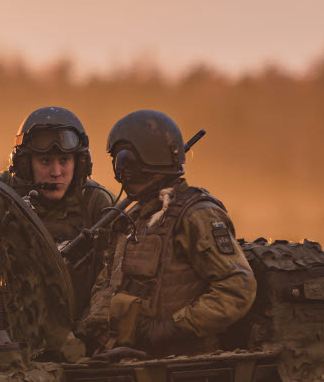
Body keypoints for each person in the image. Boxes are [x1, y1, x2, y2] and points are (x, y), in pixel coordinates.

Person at [80, 110, 256, 357]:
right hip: (126, 356)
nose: (120, 171)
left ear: (145, 162)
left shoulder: (196, 215)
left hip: (183, 362)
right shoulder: (133, 218)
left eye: (125, 161)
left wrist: (171, 327)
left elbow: (238, 287)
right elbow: (108, 283)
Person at [0, 106, 114, 316]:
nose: (56, 172)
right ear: (24, 165)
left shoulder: (96, 203)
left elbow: (112, 279)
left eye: (64, 160)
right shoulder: (1, 198)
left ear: (80, 163)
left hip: (82, 327)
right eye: (45, 161)